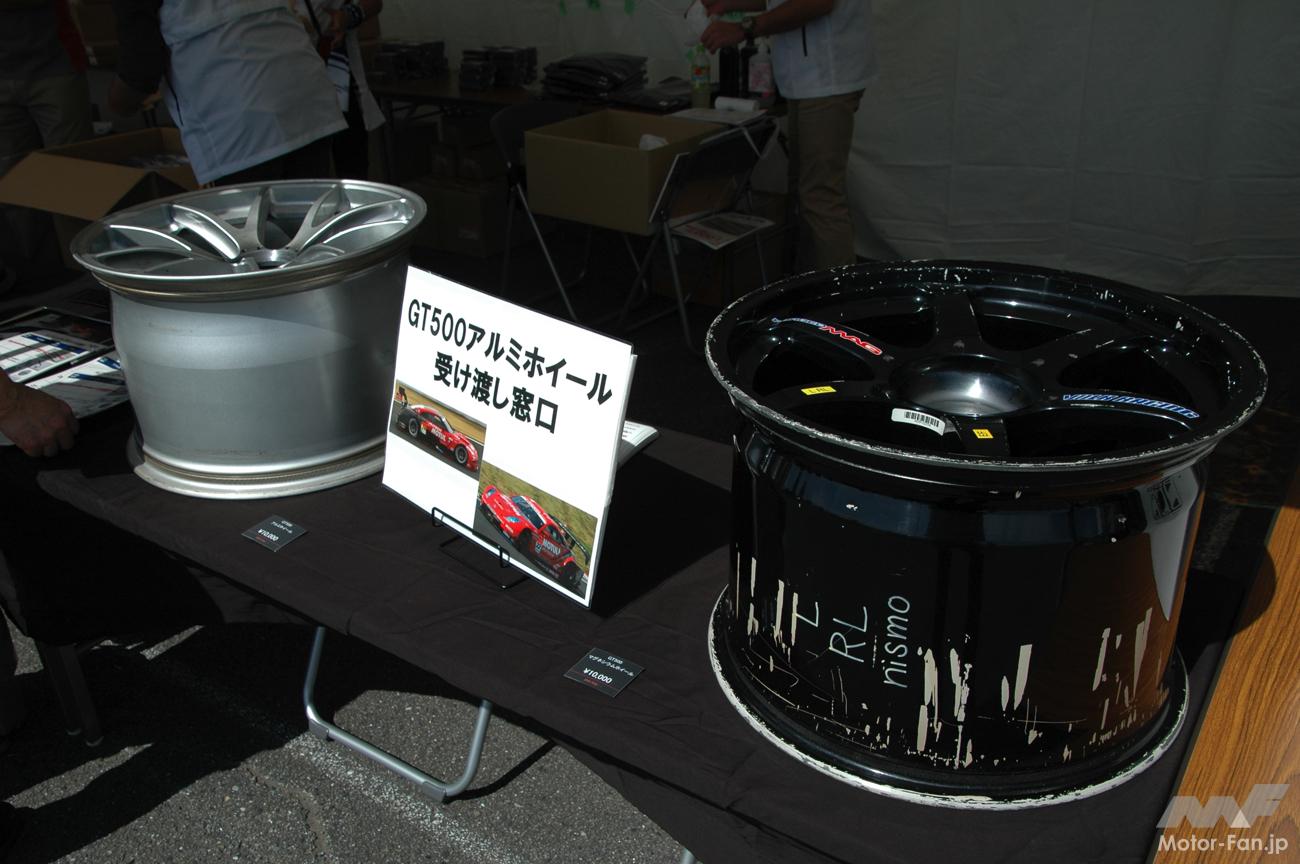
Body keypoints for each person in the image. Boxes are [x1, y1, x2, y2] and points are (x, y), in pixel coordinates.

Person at [700, 0, 876, 270]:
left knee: (819, 197)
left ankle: (838, 294)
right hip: (806, 80)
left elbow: (818, 3)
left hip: (827, 78)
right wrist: (730, 3)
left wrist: (744, 28)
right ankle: (806, 284)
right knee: (804, 196)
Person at [107, 0, 347, 185]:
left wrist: (119, 105)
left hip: (240, 121)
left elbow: (141, 65)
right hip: (307, 94)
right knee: (312, 226)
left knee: (255, 232)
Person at [0, 0, 93, 286]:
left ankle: (85, 271)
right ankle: (35, 276)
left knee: (72, 178)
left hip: (54, 64)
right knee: (14, 185)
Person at [292, 0, 385, 179]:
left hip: (339, 79)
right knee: (307, 173)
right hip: (294, 89)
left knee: (351, 168)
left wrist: (348, 16)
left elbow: (374, 3)